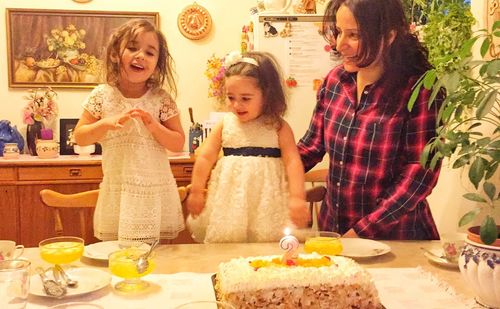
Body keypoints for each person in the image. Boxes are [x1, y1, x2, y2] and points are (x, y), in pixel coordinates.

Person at [297, 0, 443, 240]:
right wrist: (257, 164)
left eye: (353, 35)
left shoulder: (420, 90)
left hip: (396, 239)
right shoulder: (336, 81)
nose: (339, 44)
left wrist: (361, 232)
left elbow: (419, 175)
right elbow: (311, 146)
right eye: (338, 32)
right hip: (334, 232)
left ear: (389, 36)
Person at [74, 19, 185, 244]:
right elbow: (80, 136)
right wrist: (105, 124)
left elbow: (178, 142)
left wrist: (154, 126)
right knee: (118, 258)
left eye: (150, 52)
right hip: (119, 194)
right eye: (133, 48)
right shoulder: (102, 95)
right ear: (115, 54)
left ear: (157, 64)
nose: (141, 55)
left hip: (154, 194)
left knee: (157, 259)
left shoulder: (160, 99)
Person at [186, 51, 310, 243]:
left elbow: (293, 162)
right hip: (230, 202)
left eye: (245, 98)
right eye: (231, 97)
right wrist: (196, 190)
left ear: (267, 95)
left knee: (267, 248)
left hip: (267, 203)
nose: (236, 105)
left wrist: (297, 198)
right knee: (228, 245)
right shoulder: (225, 123)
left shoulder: (277, 126)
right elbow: (205, 157)